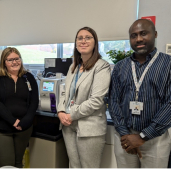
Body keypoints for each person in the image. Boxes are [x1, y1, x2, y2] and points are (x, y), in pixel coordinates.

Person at [108, 19, 171, 168]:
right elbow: (113, 101)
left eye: (143, 33)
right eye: (133, 35)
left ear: (155, 34)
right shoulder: (120, 67)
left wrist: (143, 136)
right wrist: (125, 134)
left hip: (156, 138)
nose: (138, 39)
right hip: (124, 138)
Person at [57, 27, 111, 168]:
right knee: (74, 166)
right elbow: (64, 93)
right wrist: (61, 111)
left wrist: (71, 114)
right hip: (69, 126)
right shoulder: (73, 66)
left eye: (88, 37)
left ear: (95, 42)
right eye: (80, 38)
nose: (83, 41)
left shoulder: (102, 67)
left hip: (89, 127)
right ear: (75, 43)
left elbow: (96, 101)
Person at [0, 47, 39, 168]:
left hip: (23, 129)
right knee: (7, 165)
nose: (14, 62)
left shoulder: (29, 77)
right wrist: (13, 121)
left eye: (17, 58)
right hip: (2, 129)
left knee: (18, 163)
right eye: (10, 60)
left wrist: (25, 122)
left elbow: (34, 102)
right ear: (4, 62)